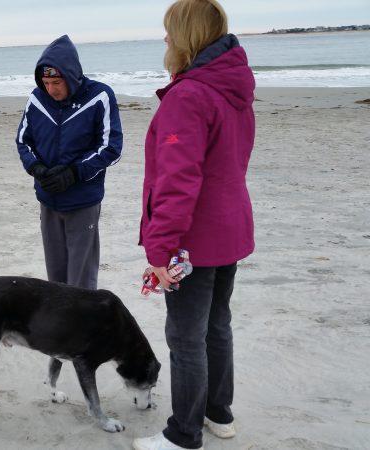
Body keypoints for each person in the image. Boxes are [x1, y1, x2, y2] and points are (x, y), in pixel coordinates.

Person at [133, 1, 255, 449]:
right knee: (215, 326)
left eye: (170, 31)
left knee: (186, 338)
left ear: (187, 36)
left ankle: (183, 434)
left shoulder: (190, 94)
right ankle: (218, 414)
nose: (165, 39)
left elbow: (179, 180)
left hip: (195, 241)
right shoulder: (232, 88)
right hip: (229, 231)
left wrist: (160, 250)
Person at [15, 35, 123, 290]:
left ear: (71, 75)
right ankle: (59, 327)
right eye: (46, 82)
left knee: (81, 279)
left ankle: (83, 327)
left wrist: (74, 173)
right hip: (48, 199)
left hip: (83, 200)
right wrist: (36, 168)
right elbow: (23, 141)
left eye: (56, 82)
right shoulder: (37, 99)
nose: (51, 89)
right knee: (56, 278)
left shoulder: (100, 96)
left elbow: (112, 148)